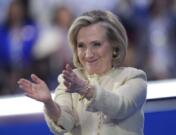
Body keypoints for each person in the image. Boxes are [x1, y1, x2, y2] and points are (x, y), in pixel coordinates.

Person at [18, 10, 147, 135]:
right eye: (81, 46)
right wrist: (49, 103)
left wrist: (85, 89)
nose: (88, 54)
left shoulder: (134, 78)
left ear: (114, 45)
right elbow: (64, 124)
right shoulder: (68, 80)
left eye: (96, 44)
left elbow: (120, 107)